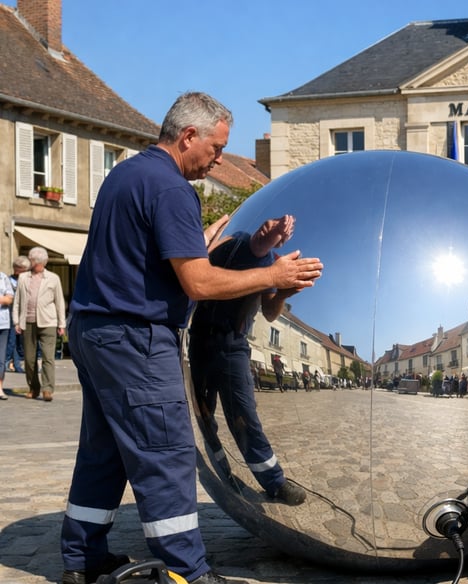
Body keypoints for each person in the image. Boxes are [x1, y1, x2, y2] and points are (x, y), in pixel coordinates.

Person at [60, 92, 323, 584]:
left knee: (104, 449)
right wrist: (275, 275)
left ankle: (82, 559)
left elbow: (140, 260)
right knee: (165, 451)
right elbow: (200, 284)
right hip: (134, 337)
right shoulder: (173, 189)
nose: (220, 158)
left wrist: (237, 248)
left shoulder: (127, 173)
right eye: (217, 147)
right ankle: (185, 572)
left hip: (94, 329)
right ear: (188, 137)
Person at [189, 215, 307, 506]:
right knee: (202, 413)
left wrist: (283, 292)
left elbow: (269, 312)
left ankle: (274, 482)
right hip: (200, 340)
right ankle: (221, 470)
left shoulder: (269, 263)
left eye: (282, 230)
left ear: (282, 243)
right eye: (273, 221)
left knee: (244, 415)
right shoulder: (234, 240)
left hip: (232, 345)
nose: (274, 226)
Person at [12, 246, 66, 402]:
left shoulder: (53, 278)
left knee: (48, 357)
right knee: (29, 359)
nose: (29, 261)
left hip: (48, 322)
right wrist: (16, 321)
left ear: (39, 262)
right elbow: (17, 301)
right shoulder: (23, 278)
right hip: (27, 322)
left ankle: (48, 389)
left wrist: (61, 324)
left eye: (31, 259)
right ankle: (34, 387)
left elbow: (59, 302)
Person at [6, 255, 30, 373]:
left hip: (24, 314)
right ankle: (10, 362)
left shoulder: (27, 280)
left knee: (18, 342)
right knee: (11, 341)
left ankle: (17, 365)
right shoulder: (8, 280)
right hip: (11, 314)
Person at [0, 268, 15, 400]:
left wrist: (3, 299)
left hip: (2, 323)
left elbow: (9, 298)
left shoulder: (3, 277)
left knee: (1, 358)